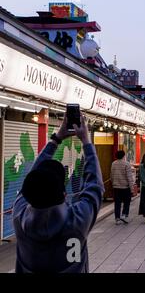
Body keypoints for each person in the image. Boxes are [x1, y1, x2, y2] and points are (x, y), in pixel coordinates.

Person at [13, 113, 104, 273]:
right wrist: (85, 141)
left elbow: (32, 179)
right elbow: (95, 185)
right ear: (63, 195)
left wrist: (56, 138)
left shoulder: (19, 216)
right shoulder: (77, 220)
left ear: (29, 193)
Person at [111, 150, 135, 224]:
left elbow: (111, 175)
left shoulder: (113, 164)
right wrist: (132, 188)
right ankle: (124, 214)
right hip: (125, 187)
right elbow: (129, 177)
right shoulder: (126, 164)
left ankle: (117, 218)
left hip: (116, 187)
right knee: (127, 201)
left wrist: (113, 183)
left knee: (117, 203)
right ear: (124, 156)